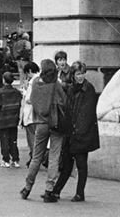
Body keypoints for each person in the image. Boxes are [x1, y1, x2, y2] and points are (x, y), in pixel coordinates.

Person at [49, 61, 100, 202]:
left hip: (81, 133)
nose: (81, 76)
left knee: (81, 164)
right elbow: (67, 109)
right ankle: (56, 191)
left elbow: (86, 113)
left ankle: (79, 193)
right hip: (71, 132)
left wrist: (77, 131)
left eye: (82, 73)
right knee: (66, 165)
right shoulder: (71, 89)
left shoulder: (88, 89)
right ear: (73, 75)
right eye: (78, 73)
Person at [20, 58, 67, 201]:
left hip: (40, 123)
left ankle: (27, 187)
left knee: (36, 157)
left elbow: (32, 100)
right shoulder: (56, 84)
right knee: (54, 157)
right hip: (55, 124)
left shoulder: (35, 82)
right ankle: (49, 190)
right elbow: (64, 101)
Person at [0, 70, 23, 168]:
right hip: (13, 119)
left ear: (3, 80)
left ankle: (6, 159)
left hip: (3, 120)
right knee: (13, 140)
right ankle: (15, 158)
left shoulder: (0, 93)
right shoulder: (17, 93)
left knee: (4, 140)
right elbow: (19, 105)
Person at [17, 61, 40, 166]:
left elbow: (29, 99)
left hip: (31, 114)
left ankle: (34, 158)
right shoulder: (40, 79)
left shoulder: (33, 82)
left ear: (30, 71)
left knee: (32, 138)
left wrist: (25, 90)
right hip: (37, 114)